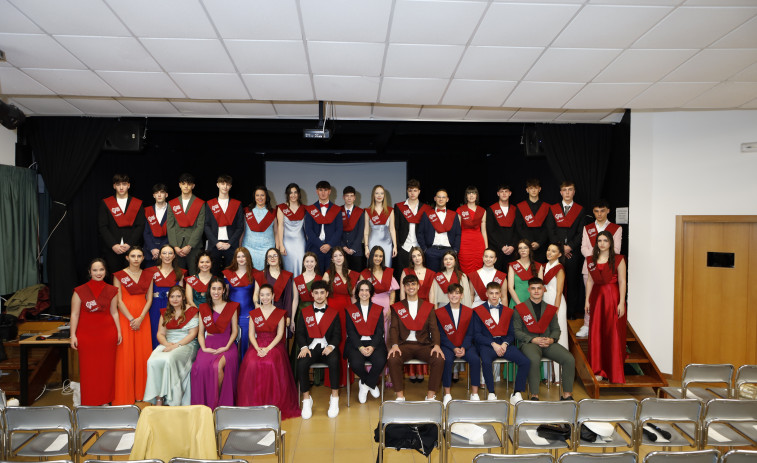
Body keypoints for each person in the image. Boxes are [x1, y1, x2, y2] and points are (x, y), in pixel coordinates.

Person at [237, 284, 301, 419]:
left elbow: (280, 335)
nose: (265, 297)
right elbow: (250, 335)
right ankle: (254, 404)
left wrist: (267, 348)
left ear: (273, 296)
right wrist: (257, 348)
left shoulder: (280, 313)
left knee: (270, 362)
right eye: (262, 295)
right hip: (257, 344)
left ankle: (272, 403)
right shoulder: (254, 313)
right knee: (252, 363)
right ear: (259, 296)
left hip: (274, 345)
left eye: (267, 294)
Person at [513, 278, 575, 400]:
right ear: (529, 290)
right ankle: (534, 396)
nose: (536, 291)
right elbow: (516, 331)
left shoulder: (550, 309)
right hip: (529, 343)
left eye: (539, 288)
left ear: (544, 289)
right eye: (533, 288)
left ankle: (567, 396)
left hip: (548, 343)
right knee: (534, 359)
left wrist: (552, 339)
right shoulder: (520, 309)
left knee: (569, 359)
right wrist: (532, 339)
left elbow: (556, 329)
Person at [70, 258, 121, 406]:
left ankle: (105, 401)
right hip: (86, 335)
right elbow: (74, 314)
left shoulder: (112, 290)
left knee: (106, 370)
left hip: (107, 334)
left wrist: (118, 332)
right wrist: (73, 335)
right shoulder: (80, 291)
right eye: (95, 270)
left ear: (105, 272)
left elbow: (114, 313)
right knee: (89, 371)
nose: (98, 273)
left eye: (101, 270)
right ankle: (89, 402)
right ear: (89, 272)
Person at [387, 274, 445, 400]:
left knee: (439, 359)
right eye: (407, 285)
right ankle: (400, 397)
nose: (410, 287)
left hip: (423, 345)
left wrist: (436, 345)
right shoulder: (397, 307)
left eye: (413, 284)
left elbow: (434, 328)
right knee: (393, 359)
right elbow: (394, 328)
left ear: (418, 286)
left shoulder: (427, 307)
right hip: (404, 345)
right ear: (404, 288)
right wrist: (394, 345)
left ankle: (430, 396)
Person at [473, 282, 530, 404]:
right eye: (491, 293)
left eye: (496, 293)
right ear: (486, 294)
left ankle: (517, 393)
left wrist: (504, 344)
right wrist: (493, 344)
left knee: (525, 361)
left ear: (500, 294)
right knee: (486, 362)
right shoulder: (478, 311)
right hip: (488, 345)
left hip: (504, 344)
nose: (494, 296)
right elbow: (477, 335)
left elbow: (511, 333)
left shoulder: (508, 311)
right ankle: (492, 393)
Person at [143, 285, 199, 406]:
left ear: (183, 297)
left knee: (169, 359)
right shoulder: (165, 313)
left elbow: (193, 334)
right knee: (152, 360)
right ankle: (158, 396)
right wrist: (167, 344)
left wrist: (175, 346)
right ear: (168, 299)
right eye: (172, 296)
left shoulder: (192, 311)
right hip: (168, 343)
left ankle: (169, 398)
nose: (175, 299)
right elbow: (160, 333)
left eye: (178, 296)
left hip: (187, 344)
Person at [584, 231, 627, 384]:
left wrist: (621, 302)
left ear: (610, 242)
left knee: (612, 332)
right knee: (596, 332)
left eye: (605, 240)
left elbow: (622, 281)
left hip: (613, 298)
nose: (602, 243)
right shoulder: (591, 260)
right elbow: (589, 281)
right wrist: (587, 301)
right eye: (599, 240)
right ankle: (598, 370)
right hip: (597, 298)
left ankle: (612, 370)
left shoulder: (619, 259)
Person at [112, 247, 153, 405]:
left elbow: (149, 299)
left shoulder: (148, 275)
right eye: (133, 256)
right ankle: (125, 395)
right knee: (125, 355)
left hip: (143, 317)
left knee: (143, 354)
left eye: (139, 256)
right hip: (125, 317)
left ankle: (141, 393)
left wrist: (140, 318)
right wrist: (131, 319)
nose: (136, 259)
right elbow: (119, 300)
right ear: (127, 257)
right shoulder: (119, 276)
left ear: (143, 258)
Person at [191, 277, 239, 409]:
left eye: (219, 288)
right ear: (209, 290)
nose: (216, 292)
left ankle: (216, 404)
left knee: (216, 367)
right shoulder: (204, 308)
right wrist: (204, 348)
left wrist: (227, 346)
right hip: (208, 346)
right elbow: (200, 333)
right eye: (213, 288)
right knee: (199, 368)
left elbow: (234, 331)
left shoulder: (232, 307)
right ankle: (203, 405)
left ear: (224, 290)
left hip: (227, 345)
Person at [296, 280, 341, 419]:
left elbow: (337, 334)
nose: (319, 296)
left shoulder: (333, 313)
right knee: (301, 364)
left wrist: (330, 346)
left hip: (327, 348)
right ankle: (306, 400)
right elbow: (300, 333)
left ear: (327, 294)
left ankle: (334, 399)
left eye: (322, 293)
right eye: (316, 293)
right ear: (312, 294)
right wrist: (303, 347)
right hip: (310, 348)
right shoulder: (305, 312)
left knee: (334, 361)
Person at [577, 199, 622, 338]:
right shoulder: (587, 228)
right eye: (596, 211)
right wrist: (595, 258)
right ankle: (587, 325)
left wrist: (600, 257)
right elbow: (583, 248)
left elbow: (616, 249)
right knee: (589, 298)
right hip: (590, 268)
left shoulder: (616, 228)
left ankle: (605, 325)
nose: (599, 214)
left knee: (607, 300)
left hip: (609, 269)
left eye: (602, 211)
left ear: (608, 211)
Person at [436, 283, 481, 405]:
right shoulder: (440, 312)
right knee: (446, 360)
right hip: (448, 346)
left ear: (461, 295)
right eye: (451, 293)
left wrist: (463, 347)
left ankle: (475, 393)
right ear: (448, 295)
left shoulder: (469, 312)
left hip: (465, 346)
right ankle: (447, 394)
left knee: (476, 359)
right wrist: (453, 348)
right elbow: (441, 335)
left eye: (457, 293)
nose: (454, 295)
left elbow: (471, 333)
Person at [547, 181, 585, 319]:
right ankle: (555, 310)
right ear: (560, 192)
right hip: (556, 253)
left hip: (572, 253)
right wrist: (560, 248)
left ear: (574, 192)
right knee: (554, 283)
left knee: (572, 283)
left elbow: (581, 232)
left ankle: (571, 312)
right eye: (564, 190)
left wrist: (570, 247)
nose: (567, 192)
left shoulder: (580, 210)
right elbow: (550, 229)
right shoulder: (553, 208)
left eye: (570, 190)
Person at [344, 280, 386, 403]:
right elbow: (350, 331)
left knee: (380, 360)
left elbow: (380, 331)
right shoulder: (350, 309)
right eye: (361, 290)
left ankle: (366, 384)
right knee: (356, 363)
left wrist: (372, 347)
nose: (364, 293)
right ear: (357, 292)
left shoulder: (378, 309)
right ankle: (370, 382)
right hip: (356, 344)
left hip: (374, 343)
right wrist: (361, 347)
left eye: (367, 290)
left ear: (371, 292)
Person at [323, 247, 359, 387]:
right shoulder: (327, 275)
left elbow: (354, 298)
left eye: (340, 255)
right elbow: (323, 298)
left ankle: (345, 380)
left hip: (347, 312)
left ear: (344, 257)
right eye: (335, 256)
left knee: (345, 343)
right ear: (331, 259)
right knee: (332, 344)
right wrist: (327, 314)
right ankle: (332, 380)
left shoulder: (352, 275)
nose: (338, 258)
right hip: (332, 313)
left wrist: (355, 316)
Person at [98, 173, 144, 275]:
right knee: (114, 278)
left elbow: (140, 226)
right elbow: (103, 226)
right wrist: (113, 244)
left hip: (132, 248)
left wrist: (129, 244)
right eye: (118, 184)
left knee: (133, 276)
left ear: (129, 185)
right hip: (112, 249)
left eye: (124, 184)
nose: (121, 187)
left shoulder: (137, 203)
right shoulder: (106, 203)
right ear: (114, 186)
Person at [289, 252, 322, 381]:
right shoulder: (297, 280)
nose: (309, 264)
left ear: (315, 263)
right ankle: (298, 374)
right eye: (307, 261)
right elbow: (295, 300)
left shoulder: (320, 279)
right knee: (300, 342)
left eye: (311, 261)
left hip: (316, 313)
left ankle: (318, 377)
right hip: (301, 313)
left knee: (317, 341)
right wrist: (292, 319)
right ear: (303, 263)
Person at [147, 244, 186, 349]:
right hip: (155, 306)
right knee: (155, 331)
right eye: (164, 253)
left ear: (174, 256)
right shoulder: (151, 271)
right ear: (160, 256)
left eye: (170, 253)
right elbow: (148, 295)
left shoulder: (180, 272)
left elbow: (182, 295)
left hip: (173, 307)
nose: (167, 256)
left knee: (171, 333)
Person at [222, 248, 258, 361]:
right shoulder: (228, 273)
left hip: (248, 314)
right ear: (235, 259)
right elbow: (225, 296)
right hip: (231, 313)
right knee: (231, 343)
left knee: (245, 343)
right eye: (239, 256)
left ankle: (245, 372)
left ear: (248, 258)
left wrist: (255, 313)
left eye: (244, 256)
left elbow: (256, 296)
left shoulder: (255, 273)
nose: (241, 259)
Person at [394, 179, 432, 283]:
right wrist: (397, 246)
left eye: (415, 190)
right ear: (407, 191)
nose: (412, 193)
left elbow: (429, 230)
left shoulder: (426, 208)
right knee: (402, 277)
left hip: (420, 247)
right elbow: (395, 228)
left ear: (419, 191)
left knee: (419, 278)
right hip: (403, 247)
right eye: (410, 190)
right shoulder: (399, 207)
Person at [204, 175, 243, 276]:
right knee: (213, 274)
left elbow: (240, 227)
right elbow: (206, 225)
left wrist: (230, 243)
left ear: (230, 186)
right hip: (214, 244)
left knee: (231, 275)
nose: (225, 186)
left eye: (227, 184)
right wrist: (216, 242)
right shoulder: (210, 204)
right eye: (222, 183)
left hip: (231, 245)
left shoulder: (237, 204)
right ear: (218, 185)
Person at [167, 173, 205, 274]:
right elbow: (170, 226)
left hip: (194, 246)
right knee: (177, 276)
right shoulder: (172, 203)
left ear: (193, 186)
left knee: (195, 275)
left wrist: (190, 246)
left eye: (189, 184)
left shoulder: (200, 203)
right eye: (183, 184)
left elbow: (200, 226)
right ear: (180, 185)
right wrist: (174, 246)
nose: (186, 186)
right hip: (177, 246)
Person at [304, 180, 343, 273]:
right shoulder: (310, 209)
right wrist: (320, 245)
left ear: (329, 191)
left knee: (331, 276)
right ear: (317, 191)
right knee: (316, 276)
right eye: (320, 190)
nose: (323, 193)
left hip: (332, 247)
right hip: (315, 247)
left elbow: (339, 230)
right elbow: (309, 230)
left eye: (325, 190)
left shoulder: (337, 209)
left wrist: (329, 245)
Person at [418, 189, 461, 272]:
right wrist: (425, 250)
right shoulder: (427, 214)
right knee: (432, 278)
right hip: (431, 251)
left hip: (449, 251)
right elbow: (420, 233)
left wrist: (455, 250)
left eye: (443, 197)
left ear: (447, 199)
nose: (441, 199)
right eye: (439, 197)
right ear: (435, 198)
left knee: (448, 279)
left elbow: (458, 234)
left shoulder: (453, 215)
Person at [252, 248, 294, 327]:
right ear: (267, 260)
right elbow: (256, 293)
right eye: (270, 256)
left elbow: (288, 298)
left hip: (280, 311)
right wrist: (256, 304)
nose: (272, 258)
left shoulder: (286, 276)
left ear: (279, 258)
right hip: (264, 311)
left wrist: (288, 316)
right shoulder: (260, 275)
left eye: (275, 256)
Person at [540, 244, 568, 349]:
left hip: (556, 301)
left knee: (558, 329)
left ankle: (559, 362)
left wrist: (556, 309)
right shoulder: (544, 267)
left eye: (553, 251)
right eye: (548, 250)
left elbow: (559, 292)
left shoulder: (559, 268)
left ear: (559, 254)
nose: (549, 253)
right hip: (544, 300)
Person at [242, 186, 276, 270]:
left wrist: (277, 248)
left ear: (266, 197)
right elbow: (242, 230)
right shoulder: (246, 211)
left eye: (262, 195)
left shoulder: (273, 212)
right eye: (257, 195)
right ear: (254, 197)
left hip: (267, 248)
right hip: (249, 248)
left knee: (265, 276)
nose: (260, 198)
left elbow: (276, 232)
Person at [486, 184, 519, 272]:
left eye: (506, 191)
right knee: (496, 277)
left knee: (511, 275)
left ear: (510, 193)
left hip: (512, 250)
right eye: (501, 191)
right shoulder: (491, 210)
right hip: (496, 249)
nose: (504, 194)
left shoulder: (515, 210)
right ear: (498, 193)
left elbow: (518, 230)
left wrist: (513, 246)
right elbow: (490, 231)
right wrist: (501, 246)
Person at [516, 179, 550, 263]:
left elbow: (548, 227)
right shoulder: (520, 206)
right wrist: (529, 242)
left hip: (542, 246)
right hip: (525, 246)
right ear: (527, 190)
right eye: (531, 188)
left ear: (540, 189)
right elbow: (519, 227)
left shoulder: (547, 207)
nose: (534, 190)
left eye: (536, 188)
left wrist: (539, 242)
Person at [276, 183, 307, 275]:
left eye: (295, 192)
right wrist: (281, 245)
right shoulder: (282, 208)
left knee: (301, 266)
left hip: (300, 243)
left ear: (299, 194)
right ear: (287, 194)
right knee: (287, 269)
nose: (293, 195)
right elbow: (280, 226)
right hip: (287, 243)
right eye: (291, 193)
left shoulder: (304, 208)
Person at [364, 184, 397, 269]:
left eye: (381, 193)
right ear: (373, 195)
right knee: (373, 267)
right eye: (377, 193)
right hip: (373, 241)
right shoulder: (368, 211)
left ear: (384, 196)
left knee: (387, 266)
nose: (379, 195)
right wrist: (366, 247)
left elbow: (392, 229)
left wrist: (395, 246)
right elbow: (366, 231)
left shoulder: (390, 210)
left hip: (387, 243)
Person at [457, 185, 488, 274]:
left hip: (478, 244)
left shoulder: (482, 210)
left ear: (476, 195)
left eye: (473, 193)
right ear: (466, 196)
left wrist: (486, 248)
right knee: (464, 268)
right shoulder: (460, 210)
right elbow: (458, 231)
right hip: (464, 243)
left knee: (478, 269)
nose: (471, 195)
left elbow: (484, 231)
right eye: (469, 193)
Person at [508, 239, 543, 309]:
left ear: (530, 249)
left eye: (525, 247)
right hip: (516, 301)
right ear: (518, 251)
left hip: (534, 301)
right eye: (520, 248)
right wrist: (519, 304)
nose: (522, 250)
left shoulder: (538, 266)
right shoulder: (513, 265)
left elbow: (540, 287)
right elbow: (510, 288)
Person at [143, 183, 169, 268]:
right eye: (157, 193)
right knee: (149, 279)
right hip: (150, 251)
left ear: (166, 195)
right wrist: (152, 248)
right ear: (154, 195)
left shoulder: (173, 211)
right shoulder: (147, 210)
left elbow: (173, 232)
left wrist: (161, 250)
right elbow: (145, 232)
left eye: (162, 192)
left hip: (167, 252)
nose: (159, 195)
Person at [340, 185, 365, 272]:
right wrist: (343, 246)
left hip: (356, 251)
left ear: (354, 198)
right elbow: (337, 231)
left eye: (351, 196)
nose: (349, 198)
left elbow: (361, 232)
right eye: (347, 196)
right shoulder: (338, 211)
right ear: (343, 197)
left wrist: (353, 248)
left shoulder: (360, 212)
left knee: (356, 277)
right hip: (341, 251)